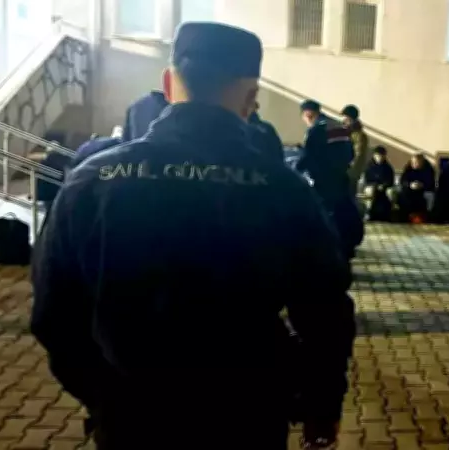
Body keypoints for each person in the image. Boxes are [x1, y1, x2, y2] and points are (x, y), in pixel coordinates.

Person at [31, 22, 355, 450]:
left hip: (132, 419)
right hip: (245, 416)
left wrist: (105, 396)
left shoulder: (92, 180)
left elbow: (54, 315)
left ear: (169, 84)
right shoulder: (283, 188)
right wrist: (321, 406)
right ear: (250, 98)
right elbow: (325, 313)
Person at [297, 99, 362, 258]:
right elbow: (350, 153)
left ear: (308, 114)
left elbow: (308, 156)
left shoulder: (316, 130)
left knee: (326, 213)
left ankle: (330, 248)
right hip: (341, 177)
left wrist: (296, 168)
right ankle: (347, 245)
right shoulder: (338, 126)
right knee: (342, 210)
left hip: (324, 180)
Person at [398, 153, 435, 223]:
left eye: (416, 162)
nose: (414, 164)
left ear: (422, 162)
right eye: (413, 162)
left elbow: (431, 183)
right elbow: (402, 181)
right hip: (410, 190)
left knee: (429, 196)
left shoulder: (428, 170)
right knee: (403, 196)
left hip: (423, 191)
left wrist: (422, 185)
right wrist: (410, 185)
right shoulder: (408, 169)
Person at [342, 104, 371, 191]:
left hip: (350, 172)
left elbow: (358, 155)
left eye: (346, 118)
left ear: (352, 119)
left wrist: (349, 170)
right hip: (342, 170)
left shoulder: (359, 135)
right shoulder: (345, 132)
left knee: (349, 193)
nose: (344, 120)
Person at [362, 146, 395, 221]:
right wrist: (375, 185)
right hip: (371, 188)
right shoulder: (369, 167)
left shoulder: (388, 168)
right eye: (378, 156)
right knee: (369, 190)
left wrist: (384, 186)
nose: (380, 158)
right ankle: (368, 212)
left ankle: (390, 213)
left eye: (382, 155)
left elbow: (391, 181)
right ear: (374, 156)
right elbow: (366, 180)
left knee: (391, 192)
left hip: (384, 189)